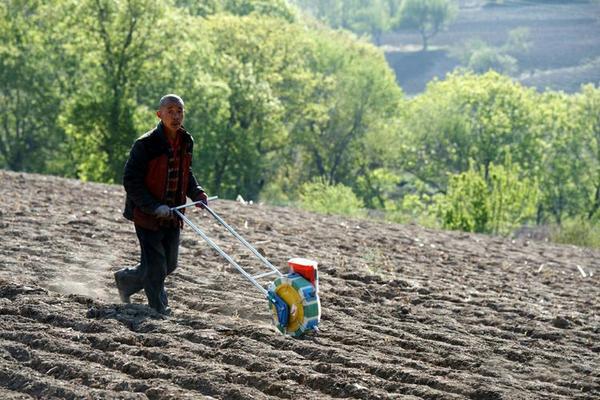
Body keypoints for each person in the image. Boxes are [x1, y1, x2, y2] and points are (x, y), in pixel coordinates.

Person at [115, 94, 208, 315]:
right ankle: (158, 307)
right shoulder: (145, 144)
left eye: (179, 111)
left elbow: (186, 172)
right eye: (170, 111)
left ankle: (126, 280)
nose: (176, 116)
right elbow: (131, 180)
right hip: (146, 215)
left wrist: (196, 192)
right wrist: (154, 206)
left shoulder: (186, 141)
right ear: (159, 114)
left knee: (170, 264)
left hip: (174, 214)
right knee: (157, 266)